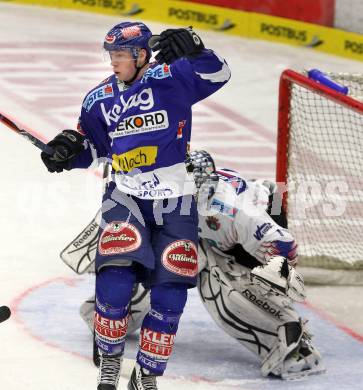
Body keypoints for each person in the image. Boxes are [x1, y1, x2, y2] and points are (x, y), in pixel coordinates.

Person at [41, 21, 230, 390]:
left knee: (170, 294)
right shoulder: (98, 98)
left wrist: (197, 50)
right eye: (110, 55)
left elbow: (219, 73)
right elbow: (93, 148)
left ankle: (146, 375)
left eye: (120, 55)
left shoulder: (172, 78)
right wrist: (66, 152)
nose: (113, 62)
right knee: (113, 281)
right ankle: (109, 363)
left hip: (176, 199)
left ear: (142, 54)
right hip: (125, 197)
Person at [74, 150, 325, 380]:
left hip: (245, 245)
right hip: (208, 237)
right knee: (165, 261)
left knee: (217, 287)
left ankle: (293, 345)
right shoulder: (165, 195)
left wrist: (271, 278)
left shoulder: (235, 210)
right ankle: (115, 321)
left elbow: (284, 245)